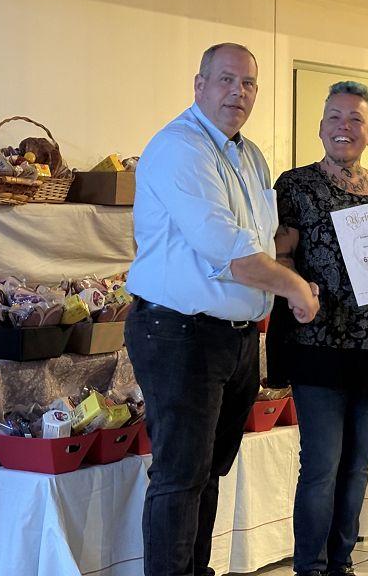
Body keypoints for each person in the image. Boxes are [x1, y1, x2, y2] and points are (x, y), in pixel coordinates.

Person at [125, 43, 320, 576]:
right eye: (226, 80)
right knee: (180, 475)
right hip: (178, 332)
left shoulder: (250, 155)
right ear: (199, 85)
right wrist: (296, 289)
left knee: (209, 470)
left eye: (249, 83)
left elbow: (260, 241)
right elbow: (230, 251)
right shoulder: (179, 148)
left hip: (235, 336)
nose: (239, 92)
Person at [269, 81, 368, 576]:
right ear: (320, 128)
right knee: (321, 465)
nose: (344, 127)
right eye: (335, 117)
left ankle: (342, 562)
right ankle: (310, 567)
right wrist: (294, 289)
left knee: (358, 465)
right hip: (318, 344)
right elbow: (280, 256)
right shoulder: (295, 186)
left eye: (355, 119)